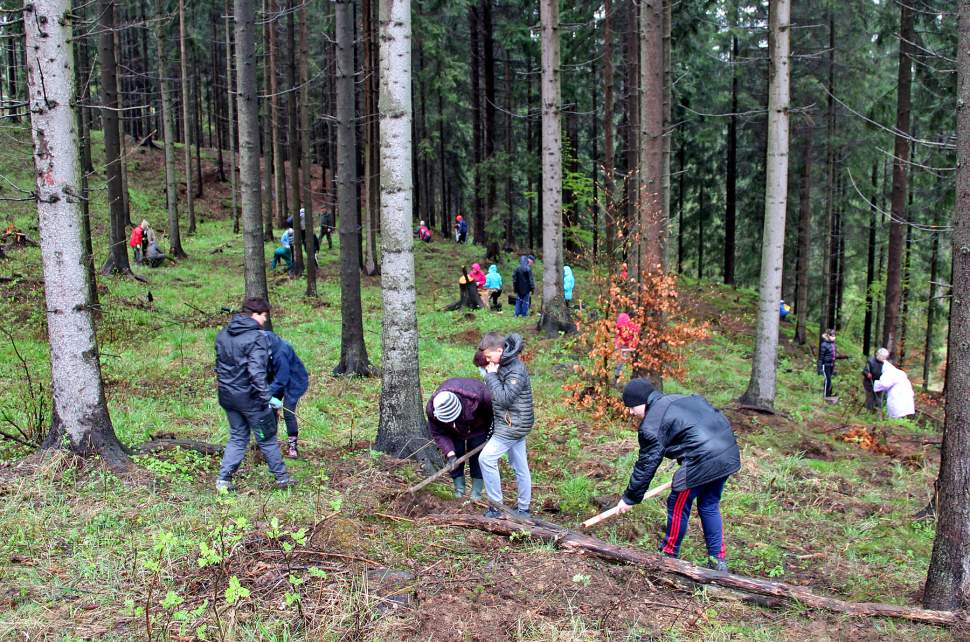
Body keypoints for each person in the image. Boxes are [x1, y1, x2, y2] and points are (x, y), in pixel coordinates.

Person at [614, 378, 741, 572]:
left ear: (642, 401)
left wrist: (630, 497)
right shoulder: (677, 399)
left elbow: (647, 464)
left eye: (631, 407)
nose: (630, 412)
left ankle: (668, 556)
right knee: (709, 504)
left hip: (705, 458)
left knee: (678, 503)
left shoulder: (651, 424)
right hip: (727, 452)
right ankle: (718, 561)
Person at [214, 298, 294, 491]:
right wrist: (268, 397)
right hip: (251, 399)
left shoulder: (223, 334)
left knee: (238, 436)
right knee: (266, 437)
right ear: (254, 314)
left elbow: (219, 367)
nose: (265, 320)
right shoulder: (257, 337)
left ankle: (223, 480)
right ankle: (282, 479)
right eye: (264, 315)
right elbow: (256, 372)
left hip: (228, 396)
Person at [479, 332, 534, 518]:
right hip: (512, 422)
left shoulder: (516, 369)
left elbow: (504, 399)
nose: (487, 361)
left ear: (500, 351)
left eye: (489, 356)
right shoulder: (503, 363)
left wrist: (491, 376)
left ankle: (496, 507)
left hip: (513, 425)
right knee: (520, 465)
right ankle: (524, 508)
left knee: (485, 459)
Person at [427, 378, 494, 500]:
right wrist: (451, 454)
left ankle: (476, 494)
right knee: (455, 453)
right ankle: (459, 491)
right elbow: (439, 433)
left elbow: (494, 413)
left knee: (478, 456)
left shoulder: (479, 397)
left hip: (478, 426)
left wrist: (493, 432)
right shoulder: (432, 410)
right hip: (453, 432)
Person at [265, 331, 309, 458]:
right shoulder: (263, 348)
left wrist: (268, 393)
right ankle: (271, 444)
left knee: (288, 412)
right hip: (275, 379)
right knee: (271, 410)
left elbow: (282, 378)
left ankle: (292, 446)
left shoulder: (280, 352)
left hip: (293, 382)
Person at [613, 312, 640, 384]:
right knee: (629, 359)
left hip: (619, 342)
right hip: (626, 344)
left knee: (619, 361)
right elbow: (633, 333)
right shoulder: (632, 324)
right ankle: (633, 375)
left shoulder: (621, 316)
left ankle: (616, 377)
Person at [817, 329, 837, 399]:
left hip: (831, 364)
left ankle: (829, 394)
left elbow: (833, 355)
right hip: (825, 365)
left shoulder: (833, 344)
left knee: (830, 379)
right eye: (832, 335)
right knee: (827, 379)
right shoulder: (824, 344)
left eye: (834, 335)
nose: (834, 337)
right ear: (828, 335)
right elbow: (821, 357)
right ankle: (826, 396)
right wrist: (819, 368)